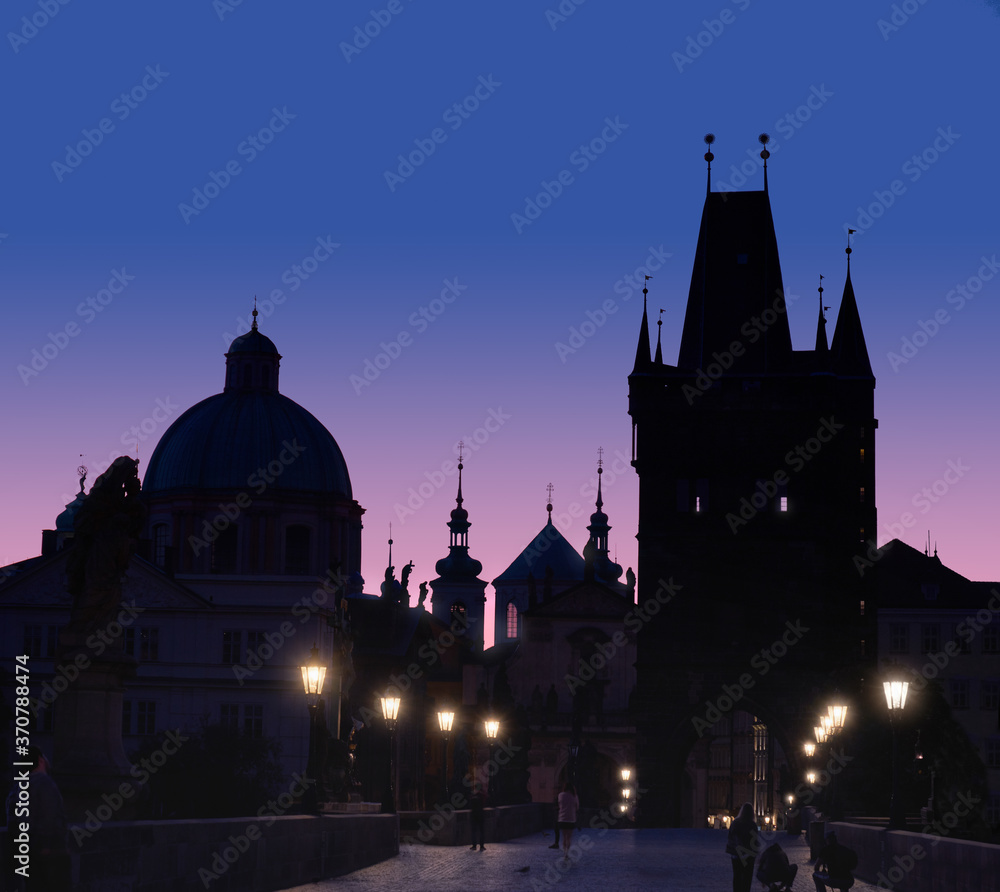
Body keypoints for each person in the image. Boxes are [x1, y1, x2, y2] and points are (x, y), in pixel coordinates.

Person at [726, 803, 759, 892]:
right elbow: (755, 841)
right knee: (747, 877)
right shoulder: (752, 825)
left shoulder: (735, 823)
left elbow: (731, 837)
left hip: (736, 854)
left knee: (737, 876)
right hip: (749, 855)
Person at [556, 782, 579, 862]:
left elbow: (559, 805)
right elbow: (577, 807)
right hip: (571, 819)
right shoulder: (574, 796)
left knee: (564, 837)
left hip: (562, 818)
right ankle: (567, 853)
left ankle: (564, 852)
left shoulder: (560, 795)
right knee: (569, 837)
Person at [469, 784, 487, 852]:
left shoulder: (472, 795)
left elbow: (470, 804)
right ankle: (481, 846)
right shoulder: (482, 795)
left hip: (474, 815)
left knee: (474, 831)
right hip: (481, 815)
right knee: (481, 831)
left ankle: (474, 846)